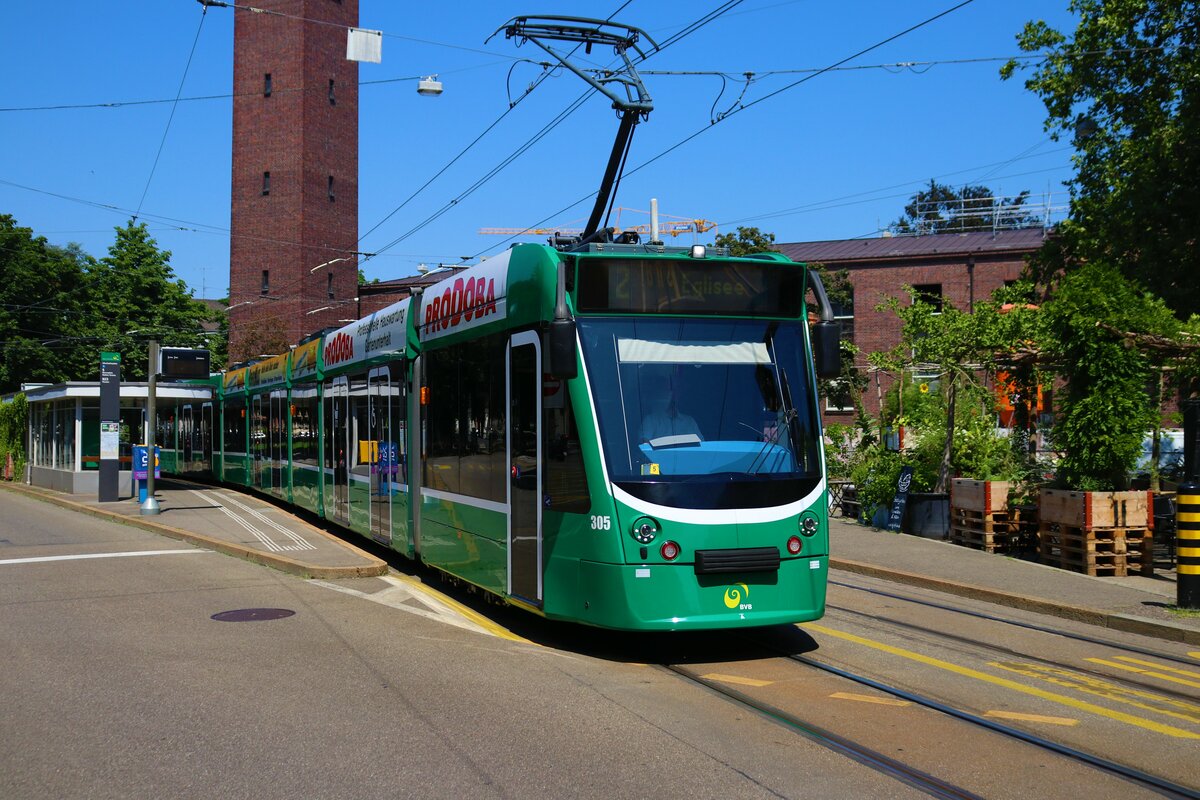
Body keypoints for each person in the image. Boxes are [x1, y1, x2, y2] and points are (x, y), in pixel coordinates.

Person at [640, 374, 702, 442]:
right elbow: (644, 445)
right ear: (661, 393)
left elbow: (702, 447)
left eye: (676, 390)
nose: (673, 394)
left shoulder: (689, 422)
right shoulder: (650, 421)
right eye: (669, 390)